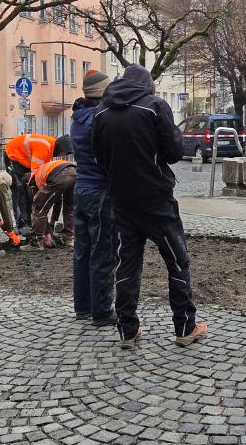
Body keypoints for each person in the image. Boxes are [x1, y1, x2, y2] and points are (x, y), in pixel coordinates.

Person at [91, 64, 207, 349]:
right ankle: (185, 327)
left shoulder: (101, 112)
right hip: (157, 200)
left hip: (122, 201)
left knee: (128, 265)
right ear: (147, 85)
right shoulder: (155, 106)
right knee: (177, 262)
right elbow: (174, 152)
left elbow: (98, 157)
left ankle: (127, 331)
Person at [70, 70, 116, 324]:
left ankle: (83, 307)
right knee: (102, 251)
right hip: (99, 191)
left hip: (81, 189)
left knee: (82, 250)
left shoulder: (78, 117)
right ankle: (101, 311)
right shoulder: (99, 118)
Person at [28, 159, 76, 249]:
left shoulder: (34, 181)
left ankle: (36, 243)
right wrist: (51, 225)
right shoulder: (43, 173)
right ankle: (69, 238)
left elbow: (41, 208)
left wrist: (47, 233)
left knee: (38, 209)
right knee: (69, 209)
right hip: (75, 172)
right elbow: (57, 201)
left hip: (60, 175)